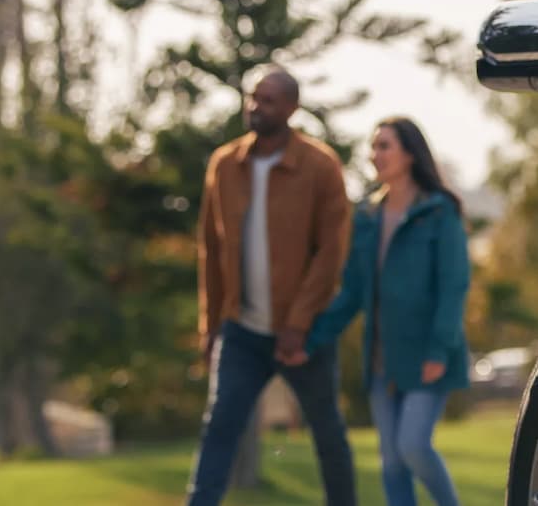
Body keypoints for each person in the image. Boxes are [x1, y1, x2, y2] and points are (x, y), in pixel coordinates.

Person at [187, 67, 357, 506]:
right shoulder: (224, 164)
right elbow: (210, 247)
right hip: (241, 331)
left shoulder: (320, 166)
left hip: (303, 333)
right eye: (251, 98)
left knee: (327, 433)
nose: (255, 107)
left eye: (267, 100)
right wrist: (211, 327)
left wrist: (299, 323)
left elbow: (331, 253)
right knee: (219, 427)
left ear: (291, 108)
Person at [308, 116, 471, 506]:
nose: (374, 154)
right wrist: (311, 338)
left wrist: (438, 349)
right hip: (382, 360)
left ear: (410, 154)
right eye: (373, 146)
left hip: (428, 355)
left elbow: (454, 286)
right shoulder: (366, 217)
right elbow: (352, 292)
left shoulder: (438, 212)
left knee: (413, 446)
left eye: (384, 146)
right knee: (393, 463)